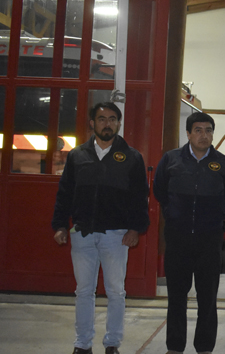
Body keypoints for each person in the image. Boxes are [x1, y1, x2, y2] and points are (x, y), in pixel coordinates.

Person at [52, 102, 149, 354]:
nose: (107, 123)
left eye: (113, 119)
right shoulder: (77, 155)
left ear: (119, 123)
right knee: (84, 291)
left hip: (116, 236)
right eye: (102, 118)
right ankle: (82, 344)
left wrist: (135, 229)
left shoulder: (132, 157)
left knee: (116, 292)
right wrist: (61, 225)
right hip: (82, 233)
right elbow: (64, 194)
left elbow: (140, 198)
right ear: (92, 123)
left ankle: (112, 344)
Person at [153, 112, 225, 354]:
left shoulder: (224, 164)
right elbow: (159, 190)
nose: (204, 135)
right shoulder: (171, 160)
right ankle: (175, 347)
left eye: (208, 130)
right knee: (176, 297)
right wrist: (173, 213)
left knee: (207, 299)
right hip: (178, 239)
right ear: (188, 134)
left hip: (209, 240)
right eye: (198, 130)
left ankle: (205, 348)